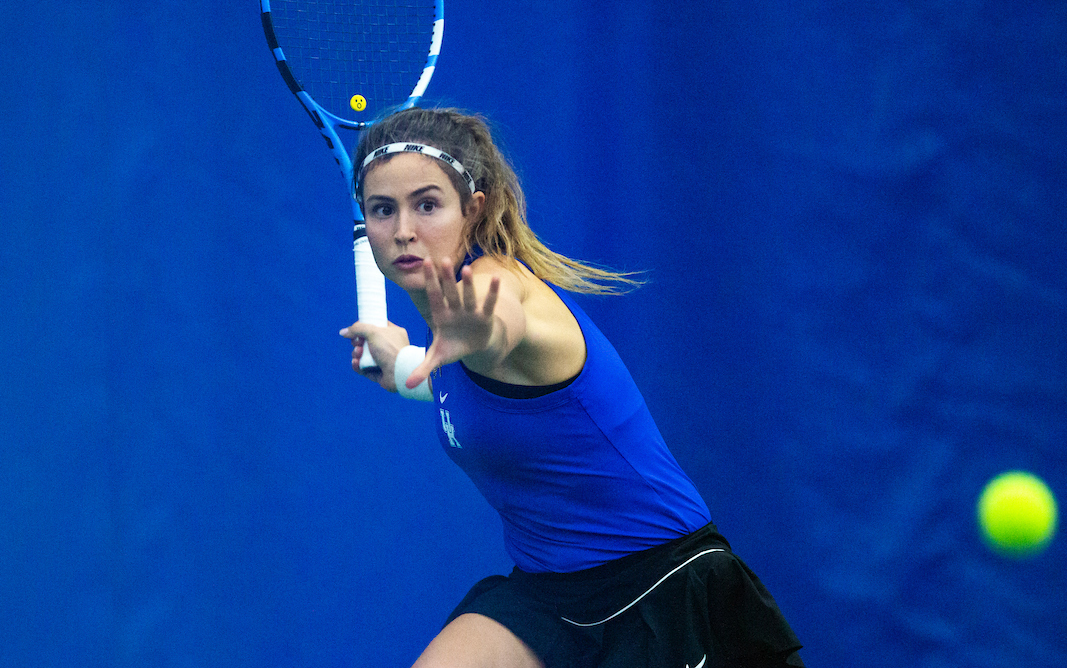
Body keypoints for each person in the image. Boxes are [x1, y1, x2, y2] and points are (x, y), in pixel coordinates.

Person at [340, 108, 805, 668]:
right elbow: (483, 398)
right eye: (383, 210)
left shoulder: (494, 291)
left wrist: (480, 333)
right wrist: (400, 366)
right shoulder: (447, 341)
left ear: (474, 207)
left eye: (428, 204)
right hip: (547, 595)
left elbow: (500, 328)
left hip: (662, 586)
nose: (405, 229)